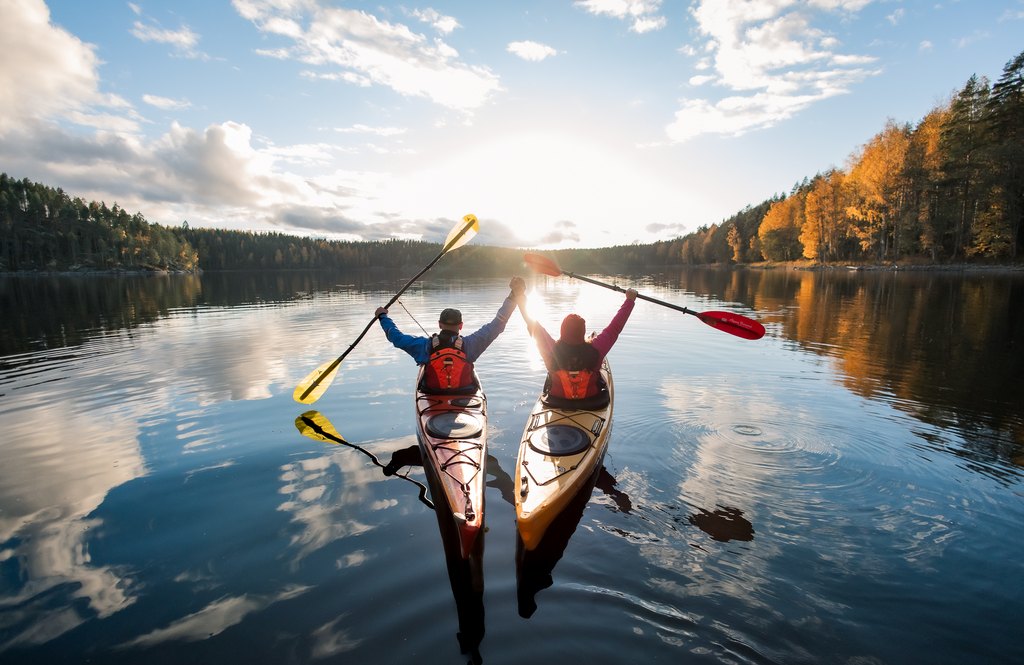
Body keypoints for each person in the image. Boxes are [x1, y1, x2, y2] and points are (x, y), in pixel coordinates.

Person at [375, 277, 526, 393]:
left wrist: (383, 317)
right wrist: (513, 296)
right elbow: (498, 323)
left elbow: (395, 337)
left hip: (432, 395)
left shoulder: (424, 346)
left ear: (439, 324)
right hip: (465, 393)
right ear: (461, 326)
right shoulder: (471, 345)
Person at [515, 287, 637, 405]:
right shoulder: (596, 349)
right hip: (591, 401)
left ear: (562, 331)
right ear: (582, 332)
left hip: (556, 401)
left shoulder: (551, 349)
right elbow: (615, 328)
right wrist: (630, 300)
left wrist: (519, 295)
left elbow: (531, 323)